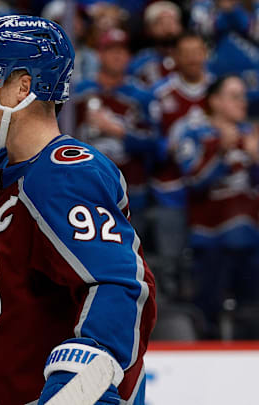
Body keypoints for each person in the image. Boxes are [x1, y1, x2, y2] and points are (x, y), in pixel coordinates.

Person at [0, 15, 156, 405]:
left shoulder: (66, 173)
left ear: (23, 87)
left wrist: (79, 385)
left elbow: (119, 286)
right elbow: (1, 309)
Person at [175, 75, 259, 339]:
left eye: (244, 96)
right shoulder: (196, 134)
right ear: (215, 101)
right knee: (207, 318)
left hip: (251, 243)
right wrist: (220, 153)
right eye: (235, 96)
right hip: (211, 243)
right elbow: (194, 181)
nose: (242, 102)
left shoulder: (251, 136)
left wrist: (256, 159)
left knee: (252, 315)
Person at [74, 28, 159, 241]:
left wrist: (119, 131)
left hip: (130, 189)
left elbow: (154, 142)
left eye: (122, 50)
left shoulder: (142, 95)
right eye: (111, 50)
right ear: (99, 54)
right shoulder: (79, 92)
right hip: (86, 188)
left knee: (130, 256)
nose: (118, 55)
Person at [149, 32, 214, 297]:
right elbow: (150, 145)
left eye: (196, 52)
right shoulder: (161, 93)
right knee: (170, 257)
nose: (192, 59)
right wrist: (168, 146)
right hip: (171, 189)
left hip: (211, 187)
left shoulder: (218, 90)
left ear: (205, 54)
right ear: (174, 57)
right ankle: (171, 306)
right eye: (185, 53)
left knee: (207, 259)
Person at [127, 1, 183, 89]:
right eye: (160, 23)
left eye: (172, 21)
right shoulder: (140, 61)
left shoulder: (191, 57)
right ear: (148, 29)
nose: (167, 28)